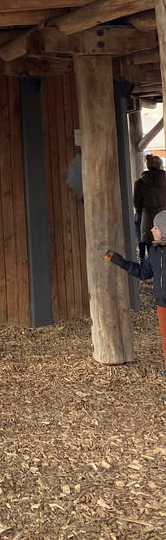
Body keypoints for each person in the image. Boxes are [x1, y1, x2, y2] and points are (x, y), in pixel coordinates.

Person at [105, 208, 166, 377]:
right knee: (165, 337)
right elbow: (143, 273)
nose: (152, 230)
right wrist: (121, 262)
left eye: (156, 227)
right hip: (162, 303)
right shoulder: (154, 251)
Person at [133, 153, 166, 263]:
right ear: (161, 166)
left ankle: (145, 263)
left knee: (147, 242)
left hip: (147, 219)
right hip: (164, 218)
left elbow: (137, 205)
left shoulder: (140, 183)